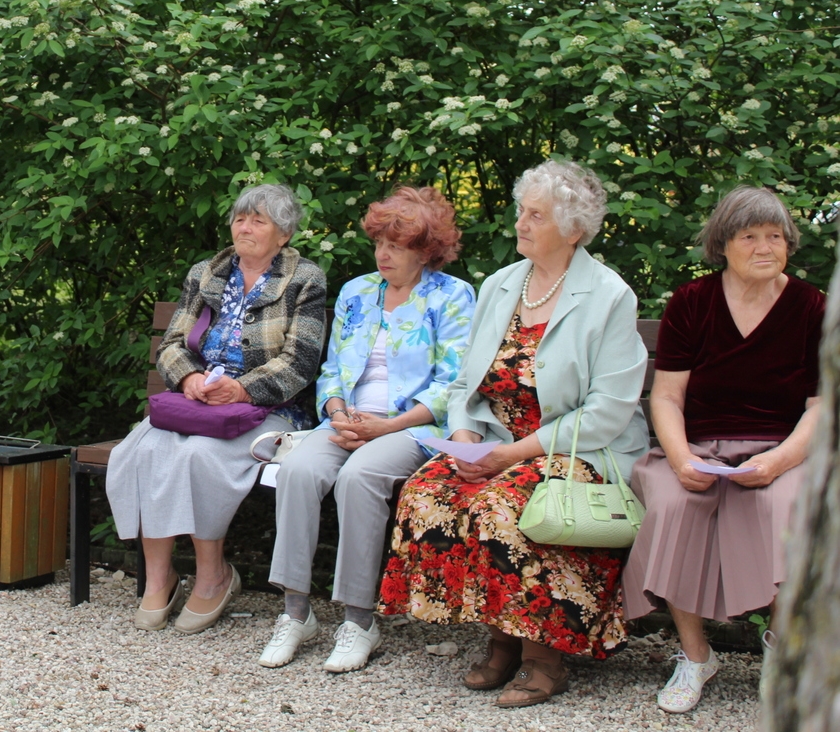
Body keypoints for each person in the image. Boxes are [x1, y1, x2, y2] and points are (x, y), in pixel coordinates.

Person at [377, 160, 649, 708]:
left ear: (573, 229)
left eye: (536, 216)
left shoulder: (608, 296)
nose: (520, 224)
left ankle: (544, 656)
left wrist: (510, 456)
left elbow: (606, 410)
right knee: (429, 491)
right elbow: (462, 383)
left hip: (574, 447)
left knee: (505, 505)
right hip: (494, 438)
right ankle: (500, 636)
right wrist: (464, 435)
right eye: (521, 211)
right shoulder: (503, 284)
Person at [622, 186, 824, 713]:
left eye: (775, 236)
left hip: (781, 451)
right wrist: (683, 457)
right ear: (723, 244)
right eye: (749, 236)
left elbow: (822, 406)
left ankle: (781, 651)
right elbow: (666, 396)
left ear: (789, 243)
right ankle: (695, 657)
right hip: (696, 446)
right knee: (674, 504)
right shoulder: (693, 302)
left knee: (787, 509)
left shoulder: (812, 306)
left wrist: (779, 461)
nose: (764, 247)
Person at [262, 187, 475, 671]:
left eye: (397, 246)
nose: (383, 254)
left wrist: (389, 426)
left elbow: (454, 384)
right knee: (296, 470)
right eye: (380, 242)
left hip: (412, 427)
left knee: (359, 479)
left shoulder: (453, 296)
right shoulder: (358, 292)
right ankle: (296, 612)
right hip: (347, 421)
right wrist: (337, 411)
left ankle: (359, 621)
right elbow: (332, 367)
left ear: (426, 251)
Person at [106, 183, 326, 634]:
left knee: (198, 457)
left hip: (267, 409)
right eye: (240, 218)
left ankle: (214, 577)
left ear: (283, 234)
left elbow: (300, 361)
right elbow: (171, 343)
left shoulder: (305, 279)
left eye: (258, 220)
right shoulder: (208, 272)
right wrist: (188, 377)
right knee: (141, 450)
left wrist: (241, 389)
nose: (245, 228)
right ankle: (159, 575)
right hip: (198, 404)